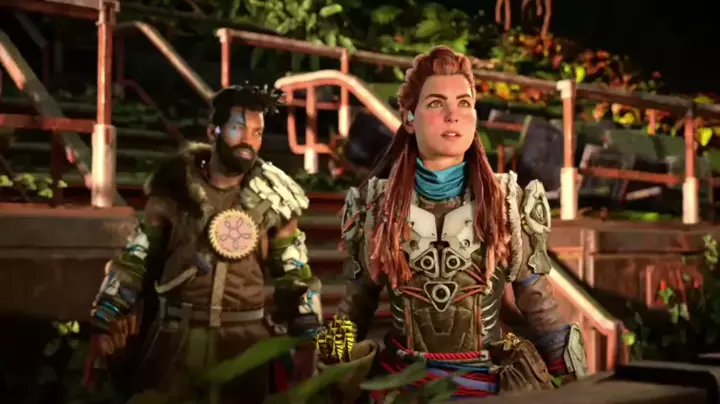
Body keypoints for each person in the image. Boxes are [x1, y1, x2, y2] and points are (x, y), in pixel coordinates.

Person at [320, 46, 588, 402]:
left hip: (485, 387)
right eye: (436, 103)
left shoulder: (507, 202)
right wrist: (327, 365)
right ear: (409, 118)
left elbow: (538, 304)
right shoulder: (378, 205)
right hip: (403, 386)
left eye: (464, 103)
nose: (453, 115)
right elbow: (357, 303)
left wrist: (577, 384)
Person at [85, 84, 322, 404]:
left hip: (244, 348)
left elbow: (295, 275)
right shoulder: (174, 192)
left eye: (257, 133)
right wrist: (104, 321)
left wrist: (308, 339)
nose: (248, 141)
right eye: (238, 129)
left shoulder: (275, 201)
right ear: (213, 131)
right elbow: (136, 259)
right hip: (175, 343)